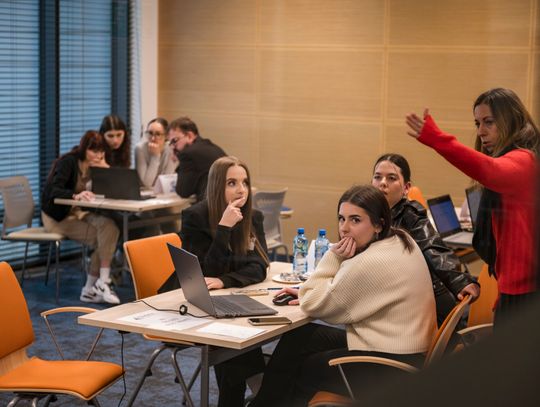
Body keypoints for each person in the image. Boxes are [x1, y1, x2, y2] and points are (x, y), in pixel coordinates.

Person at [250, 185, 437, 406]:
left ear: (378, 224)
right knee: (300, 337)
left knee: (303, 367)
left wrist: (334, 256)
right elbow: (333, 292)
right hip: (403, 349)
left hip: (391, 367)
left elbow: (312, 304)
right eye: (341, 219)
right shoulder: (400, 239)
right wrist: (312, 292)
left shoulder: (370, 262)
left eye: (355, 220)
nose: (344, 229)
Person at [405, 87, 539, 325]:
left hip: (524, 293)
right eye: (478, 123)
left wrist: (437, 139)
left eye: (489, 122)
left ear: (510, 120)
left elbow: (488, 170)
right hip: (513, 288)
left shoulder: (524, 160)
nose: (481, 131)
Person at [160, 156, 269, 407]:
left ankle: (256, 396)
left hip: (225, 302)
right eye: (232, 183)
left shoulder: (254, 217)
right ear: (217, 186)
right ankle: (262, 393)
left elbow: (259, 267)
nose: (241, 190)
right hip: (190, 308)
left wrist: (224, 280)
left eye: (245, 182)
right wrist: (224, 229)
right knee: (235, 342)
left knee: (238, 338)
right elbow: (201, 275)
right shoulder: (195, 216)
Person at [371, 153, 479, 325]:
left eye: (391, 178)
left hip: (427, 308)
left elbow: (432, 246)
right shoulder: (370, 213)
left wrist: (459, 281)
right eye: (377, 177)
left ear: (406, 188)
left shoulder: (410, 214)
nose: (382, 183)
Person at [41, 131, 121, 304]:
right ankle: (94, 287)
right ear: (84, 149)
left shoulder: (95, 165)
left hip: (77, 212)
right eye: (94, 151)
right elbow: (53, 190)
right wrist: (75, 195)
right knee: (103, 239)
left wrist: (104, 167)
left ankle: (98, 284)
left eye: (101, 152)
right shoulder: (68, 162)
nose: (98, 155)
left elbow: (112, 188)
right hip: (57, 217)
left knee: (110, 228)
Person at [167, 116, 226, 202]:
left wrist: (178, 161)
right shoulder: (213, 147)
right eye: (171, 143)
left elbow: (183, 191)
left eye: (175, 141)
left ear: (189, 136)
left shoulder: (187, 154)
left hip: (210, 206)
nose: (173, 147)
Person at [135, 117, 178, 188]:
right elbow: (146, 184)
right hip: (145, 192)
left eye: (158, 134)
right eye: (150, 133)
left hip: (165, 192)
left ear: (166, 136)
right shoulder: (140, 148)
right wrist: (155, 156)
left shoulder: (172, 149)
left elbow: (167, 182)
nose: (152, 138)